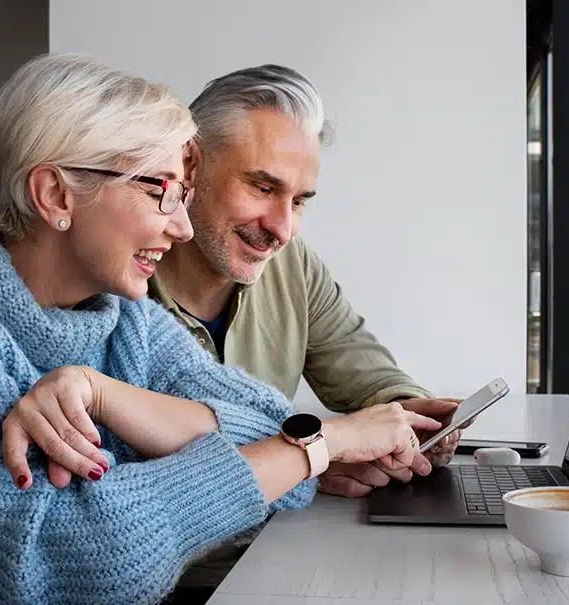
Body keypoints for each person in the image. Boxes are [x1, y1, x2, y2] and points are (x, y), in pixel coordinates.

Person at [0, 54, 440, 605]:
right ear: (56, 194)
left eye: (183, 195)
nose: (183, 228)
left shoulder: (119, 316)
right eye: (160, 189)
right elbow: (91, 558)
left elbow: (265, 420)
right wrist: (322, 447)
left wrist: (102, 392)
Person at [150, 63, 465, 498]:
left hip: (273, 545)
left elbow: (362, 367)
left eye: (298, 201)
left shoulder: (292, 264)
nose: (282, 229)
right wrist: (316, 456)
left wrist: (414, 417)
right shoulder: (116, 279)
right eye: (262, 188)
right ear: (189, 164)